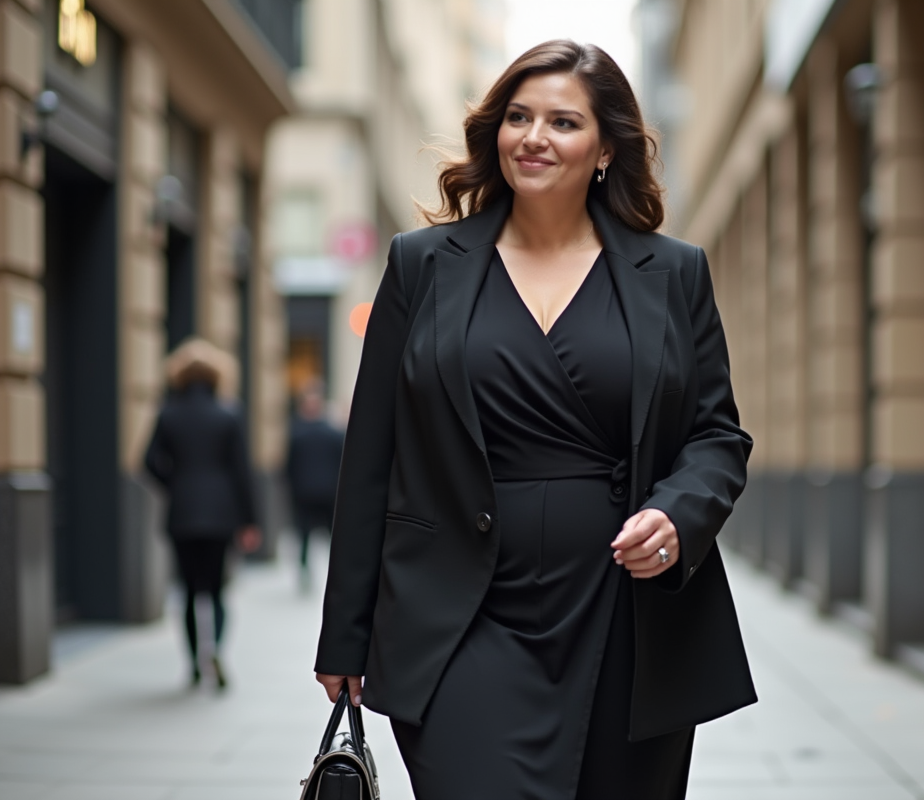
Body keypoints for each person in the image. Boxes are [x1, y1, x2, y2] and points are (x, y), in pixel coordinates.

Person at [314, 40, 755, 799]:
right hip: (457, 618)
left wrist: (677, 517)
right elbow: (371, 454)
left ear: (606, 149)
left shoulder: (673, 272)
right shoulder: (422, 266)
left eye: (563, 122)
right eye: (518, 117)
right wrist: (345, 633)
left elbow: (716, 435)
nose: (534, 137)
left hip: (623, 616)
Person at [145, 337, 260, 689]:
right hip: (221, 513)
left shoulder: (168, 414)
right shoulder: (229, 414)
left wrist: (175, 483)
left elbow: (148, 461)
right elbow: (242, 471)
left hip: (183, 513)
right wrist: (250, 520)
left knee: (189, 591)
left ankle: (194, 664)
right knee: (218, 590)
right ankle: (217, 652)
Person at [286, 380, 344, 583]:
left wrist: (292, 488)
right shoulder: (333, 432)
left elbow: (289, 466)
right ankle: (337, 568)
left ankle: (305, 569)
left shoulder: (296, 433)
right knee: (330, 533)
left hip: (306, 491)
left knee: (305, 534)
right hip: (328, 490)